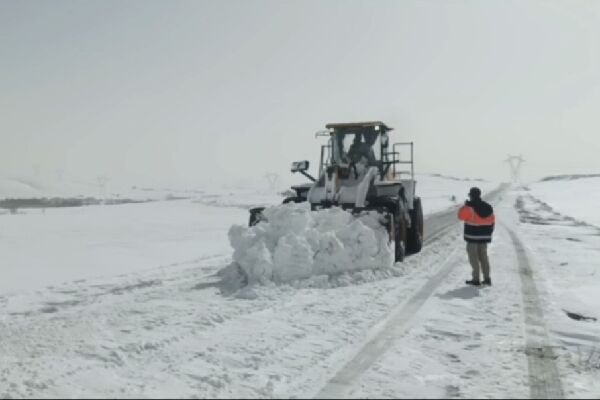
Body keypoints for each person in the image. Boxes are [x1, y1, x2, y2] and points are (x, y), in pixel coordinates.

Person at [458, 187, 495, 286]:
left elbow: (460, 216)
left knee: (473, 258)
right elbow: (492, 221)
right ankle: (487, 279)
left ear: (471, 196)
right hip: (484, 238)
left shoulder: (469, 208)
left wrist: (465, 206)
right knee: (484, 257)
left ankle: (476, 279)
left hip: (472, 237)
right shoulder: (488, 207)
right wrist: (488, 234)